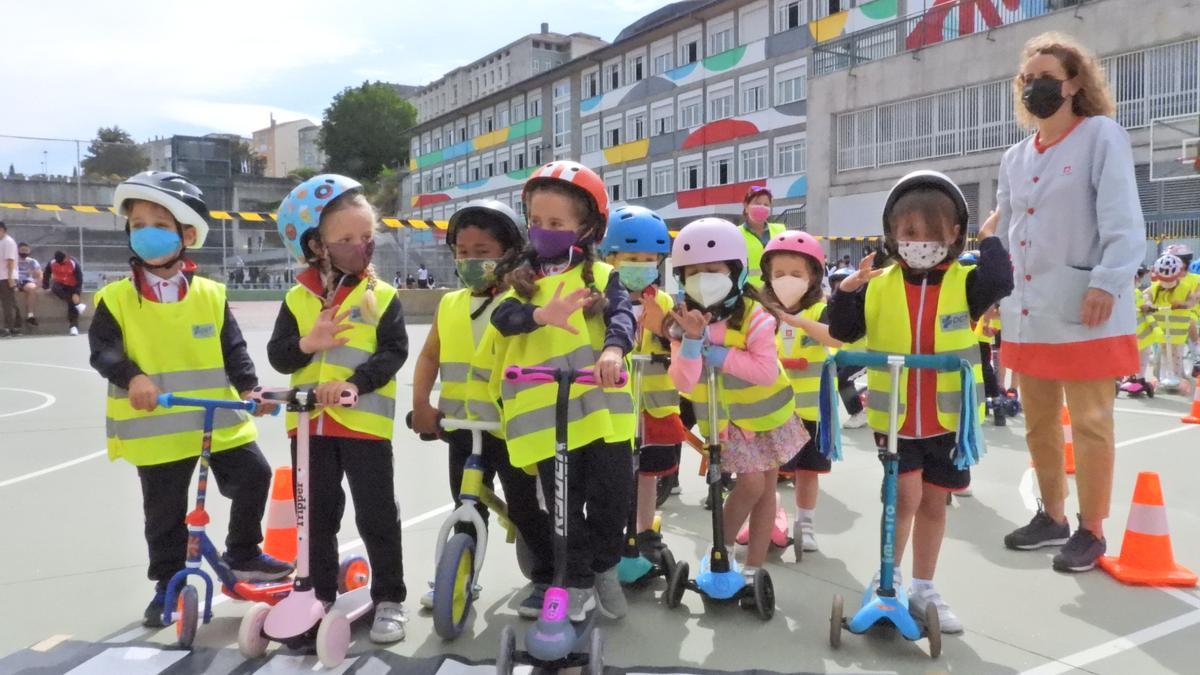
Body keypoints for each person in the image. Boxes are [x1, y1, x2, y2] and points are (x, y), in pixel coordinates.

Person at [87, 171, 292, 628]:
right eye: (137, 224)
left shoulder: (211, 296)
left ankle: (243, 552)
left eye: (158, 223)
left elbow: (233, 351)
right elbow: (103, 350)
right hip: (156, 429)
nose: (146, 232)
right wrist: (132, 376)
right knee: (164, 515)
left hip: (219, 422)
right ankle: (168, 583)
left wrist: (250, 390)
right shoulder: (115, 299)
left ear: (188, 235)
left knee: (255, 476)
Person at [830, 170, 1011, 634]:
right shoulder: (879, 283)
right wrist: (846, 292)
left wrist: (988, 240)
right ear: (892, 234)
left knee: (934, 501)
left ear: (954, 234)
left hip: (949, 420)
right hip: (896, 418)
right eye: (910, 232)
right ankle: (887, 575)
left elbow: (1000, 280)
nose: (921, 242)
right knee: (902, 495)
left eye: (934, 232)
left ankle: (925, 586)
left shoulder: (964, 280)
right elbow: (843, 331)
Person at [995, 33, 1146, 573]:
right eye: (1027, 80)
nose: (1035, 87)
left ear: (1075, 82)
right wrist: (995, 291)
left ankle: (1092, 528)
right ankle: (1052, 516)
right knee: (1037, 422)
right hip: (1030, 310)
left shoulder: (1101, 136)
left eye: (1046, 78)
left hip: (1088, 308)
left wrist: (1106, 282)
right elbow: (1008, 231)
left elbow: (1124, 219)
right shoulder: (1014, 157)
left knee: (1091, 421)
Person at [485, 160, 636, 621]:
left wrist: (612, 351)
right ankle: (576, 581)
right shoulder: (521, 282)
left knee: (612, 501)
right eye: (535, 222)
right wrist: (538, 316)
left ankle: (604, 565)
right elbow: (501, 319)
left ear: (586, 227)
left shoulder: (602, 276)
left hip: (601, 413)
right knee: (563, 507)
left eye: (556, 223)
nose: (543, 230)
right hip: (547, 419)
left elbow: (623, 317)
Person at [268, 174, 409, 643]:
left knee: (376, 514)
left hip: (363, 427)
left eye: (366, 237)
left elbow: (393, 353)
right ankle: (318, 593)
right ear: (315, 246)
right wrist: (309, 342)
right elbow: (279, 355)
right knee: (316, 515)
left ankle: (390, 596)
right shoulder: (296, 298)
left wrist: (354, 383)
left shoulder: (382, 296)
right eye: (345, 239)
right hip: (308, 429)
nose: (360, 247)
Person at [410, 198, 553, 618]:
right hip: (460, 427)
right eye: (462, 252)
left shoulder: (521, 302)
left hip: (511, 431)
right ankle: (459, 577)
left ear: (509, 253)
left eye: (483, 253)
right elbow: (429, 357)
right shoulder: (449, 304)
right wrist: (421, 404)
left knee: (526, 507)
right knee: (465, 503)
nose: (470, 261)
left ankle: (547, 576)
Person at [665, 217, 804, 585]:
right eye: (693, 272)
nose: (703, 278)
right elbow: (683, 379)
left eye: (713, 269)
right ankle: (721, 553)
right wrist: (693, 343)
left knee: (767, 489)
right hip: (729, 425)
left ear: (736, 270)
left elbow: (766, 370)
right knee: (752, 486)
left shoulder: (754, 315)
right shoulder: (680, 322)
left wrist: (721, 356)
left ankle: (754, 567)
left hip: (769, 416)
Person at [598, 204, 686, 565]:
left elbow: (680, 343)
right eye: (632, 257)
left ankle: (645, 530)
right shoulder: (601, 301)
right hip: (612, 408)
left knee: (648, 474)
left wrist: (660, 329)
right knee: (614, 477)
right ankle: (613, 531)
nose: (641, 265)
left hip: (654, 405)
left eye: (649, 259)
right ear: (612, 258)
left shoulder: (663, 302)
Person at [755, 230, 842, 553]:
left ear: (813, 277)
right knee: (771, 472)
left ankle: (805, 524)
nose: (787, 281)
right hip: (773, 410)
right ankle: (769, 517)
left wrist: (798, 322)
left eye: (796, 274)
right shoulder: (761, 313)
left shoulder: (818, 311)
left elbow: (835, 338)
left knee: (808, 472)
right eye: (779, 274)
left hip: (812, 412)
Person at [827, 265, 868, 428]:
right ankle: (863, 394)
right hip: (845, 354)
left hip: (866, 354)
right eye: (836, 284)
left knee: (844, 379)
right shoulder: (835, 305)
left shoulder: (861, 306)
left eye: (844, 283)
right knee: (829, 374)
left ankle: (858, 413)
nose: (839, 287)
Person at [1145, 254, 1192, 388]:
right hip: (1161, 328)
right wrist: (1148, 304)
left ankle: (1176, 377)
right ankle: (1162, 377)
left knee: (1176, 354)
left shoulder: (1185, 287)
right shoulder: (1155, 287)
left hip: (1178, 330)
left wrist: (1183, 304)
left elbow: (1192, 301)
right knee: (1164, 353)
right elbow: (1146, 295)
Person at [738, 186, 787, 288]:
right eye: (757, 203)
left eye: (766, 205)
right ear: (746, 206)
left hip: (777, 292)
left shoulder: (781, 231)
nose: (762, 207)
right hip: (749, 294)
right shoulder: (735, 234)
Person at [43, 251, 87, 335]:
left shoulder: (73, 263)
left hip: (73, 285)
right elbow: (46, 273)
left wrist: (77, 292)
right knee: (55, 288)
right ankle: (77, 304)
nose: (60, 264)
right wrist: (45, 286)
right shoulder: (52, 263)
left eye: (62, 262)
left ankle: (73, 327)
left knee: (71, 306)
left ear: (66, 258)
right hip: (60, 284)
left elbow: (79, 278)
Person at [0, 221, 20, 337]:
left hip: (6, 277)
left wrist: (10, 278)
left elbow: (10, 261)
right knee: (9, 302)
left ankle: (10, 328)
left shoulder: (8, 242)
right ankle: (13, 327)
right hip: (1, 276)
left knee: (8, 303)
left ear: (2, 229)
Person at [16, 242, 41, 327]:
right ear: (18, 250)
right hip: (14, 281)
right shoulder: (13, 260)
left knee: (32, 288)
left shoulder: (32, 261)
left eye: (26, 250)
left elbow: (39, 274)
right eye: (22, 250)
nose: (24, 252)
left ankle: (30, 316)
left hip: (26, 281)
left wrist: (38, 284)